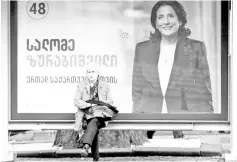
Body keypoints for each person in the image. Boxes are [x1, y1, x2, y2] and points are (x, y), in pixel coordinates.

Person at [132, 0, 213, 139]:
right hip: (149, 123)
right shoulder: (142, 49)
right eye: (160, 17)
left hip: (185, 122)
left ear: (180, 20)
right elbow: (137, 90)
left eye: (171, 16)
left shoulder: (196, 48)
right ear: (155, 23)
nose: (166, 21)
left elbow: (204, 90)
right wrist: (135, 123)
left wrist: (209, 123)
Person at [74, 64, 117, 161]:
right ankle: (95, 157)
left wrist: (99, 105)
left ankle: (86, 146)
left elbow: (110, 101)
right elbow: (76, 101)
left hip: (101, 114)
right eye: (89, 72)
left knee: (93, 121)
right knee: (93, 127)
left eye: (93, 72)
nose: (91, 74)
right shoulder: (81, 85)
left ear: (98, 73)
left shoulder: (105, 85)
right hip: (86, 113)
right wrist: (89, 105)